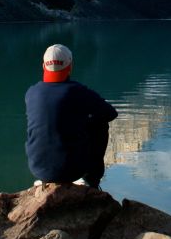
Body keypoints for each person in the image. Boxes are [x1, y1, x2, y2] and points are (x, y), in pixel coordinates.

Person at [25, 44, 118, 188]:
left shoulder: (32, 92)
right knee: (100, 125)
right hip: (72, 171)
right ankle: (91, 181)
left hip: (37, 169)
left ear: (44, 66)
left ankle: (47, 179)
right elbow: (110, 113)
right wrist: (84, 121)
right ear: (70, 67)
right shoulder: (77, 91)